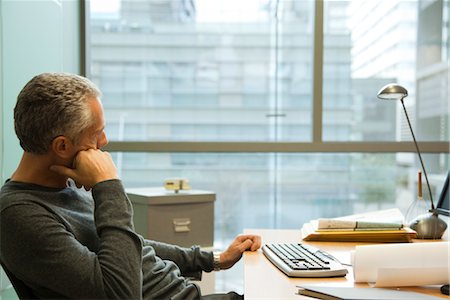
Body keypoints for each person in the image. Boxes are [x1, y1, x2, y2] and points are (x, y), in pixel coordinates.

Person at [0, 72, 261, 299]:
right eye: (96, 133)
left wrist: (214, 260)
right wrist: (109, 186)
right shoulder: (19, 216)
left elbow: (128, 245)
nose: (105, 140)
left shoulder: (66, 187)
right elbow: (120, 294)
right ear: (62, 147)